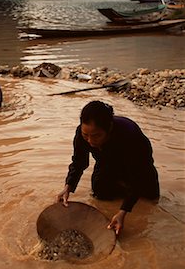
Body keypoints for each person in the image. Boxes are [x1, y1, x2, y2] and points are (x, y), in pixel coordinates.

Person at [57, 101, 159, 235]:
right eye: (85, 135)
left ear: (109, 127)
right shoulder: (83, 133)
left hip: (138, 165)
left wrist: (124, 211)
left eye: (96, 136)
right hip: (106, 163)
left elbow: (138, 175)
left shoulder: (130, 134)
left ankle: (126, 196)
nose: (90, 141)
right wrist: (68, 186)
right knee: (99, 193)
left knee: (150, 199)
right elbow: (79, 162)